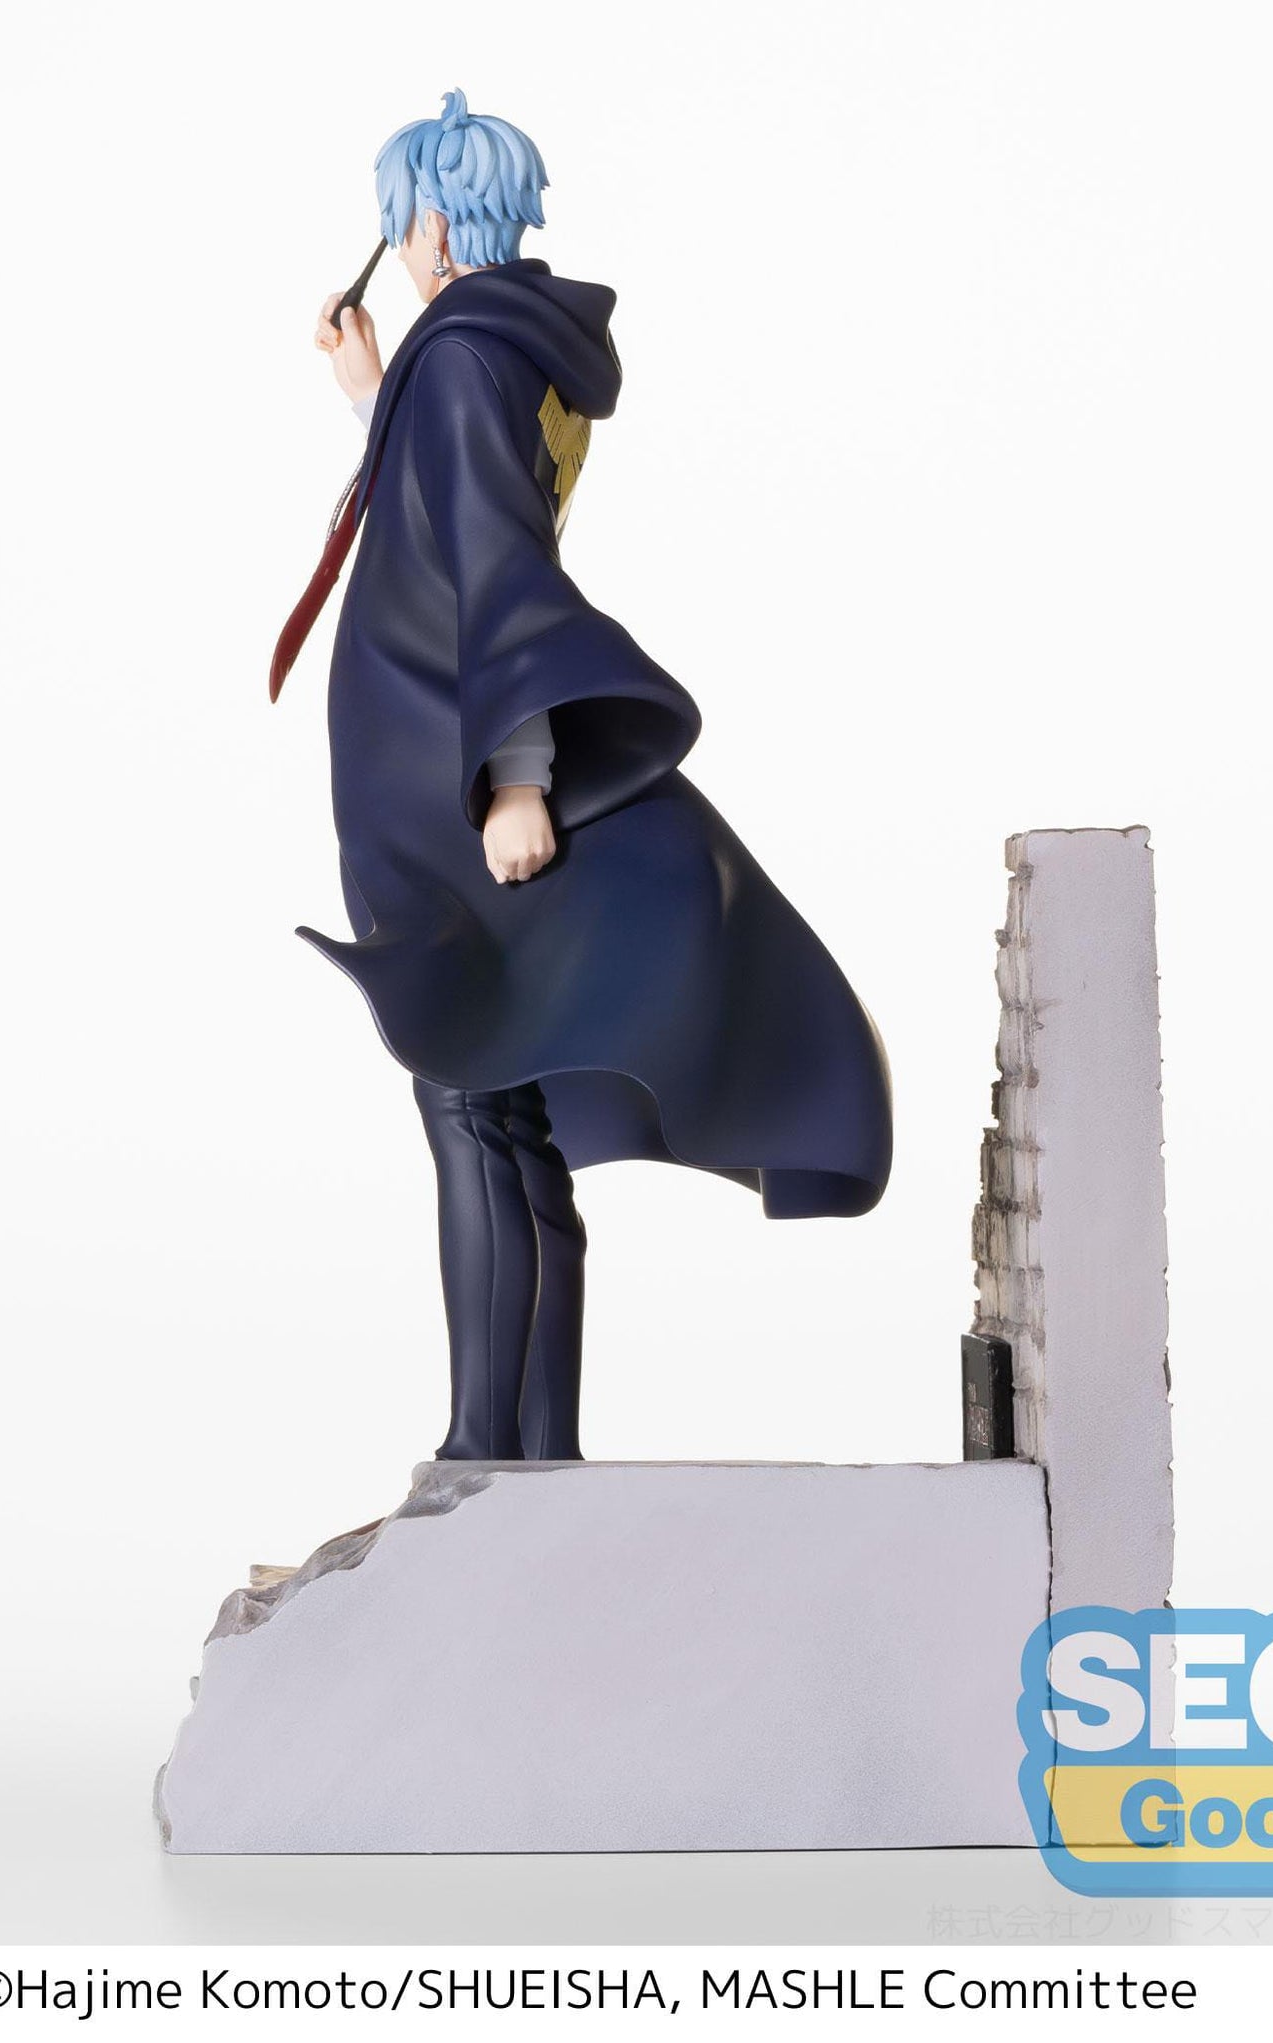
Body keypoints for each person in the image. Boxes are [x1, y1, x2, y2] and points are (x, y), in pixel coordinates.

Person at [285, 90, 891, 1462]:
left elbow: (497, 566)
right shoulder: (501, 352)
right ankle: (531, 1457)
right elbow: (451, 516)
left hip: (455, 794)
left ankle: (484, 1457)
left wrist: (516, 776)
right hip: (440, 774)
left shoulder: (462, 358)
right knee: (505, 1118)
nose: (403, 242)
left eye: (403, 221)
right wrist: (373, 396)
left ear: (432, 226)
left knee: (474, 1110)